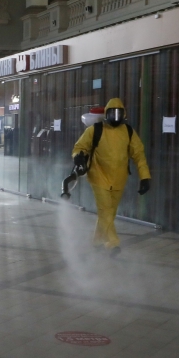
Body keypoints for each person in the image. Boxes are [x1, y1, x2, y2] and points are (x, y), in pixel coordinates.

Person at [72, 98, 151, 257]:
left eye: (119, 113)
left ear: (124, 114)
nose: (116, 116)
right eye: (112, 113)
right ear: (106, 113)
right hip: (98, 176)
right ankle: (113, 244)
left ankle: (97, 241)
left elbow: (139, 155)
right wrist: (78, 157)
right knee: (105, 210)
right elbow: (80, 147)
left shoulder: (128, 132)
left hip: (119, 179)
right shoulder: (95, 130)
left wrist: (145, 177)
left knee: (109, 213)